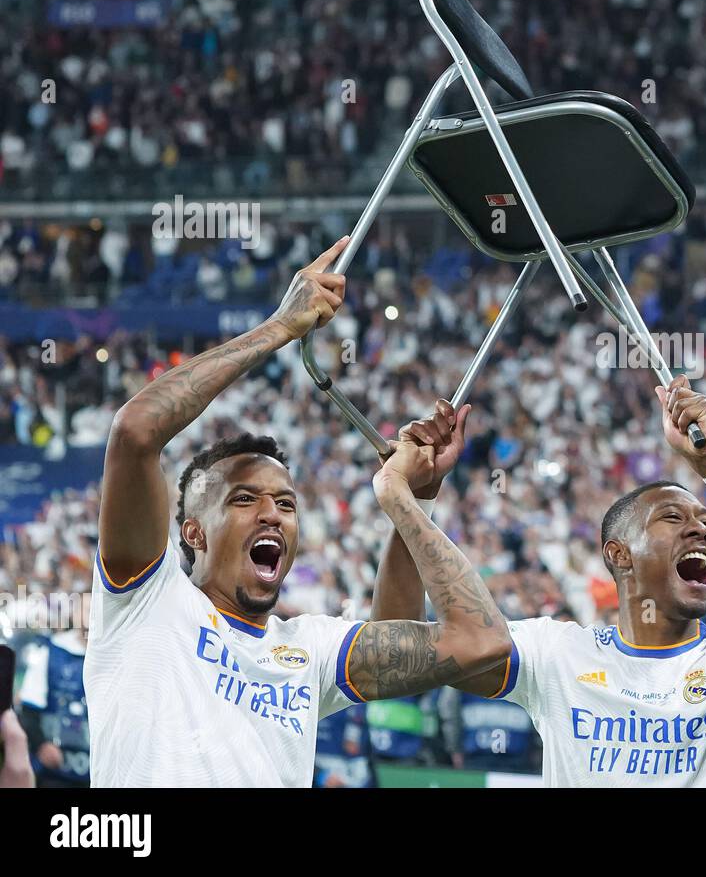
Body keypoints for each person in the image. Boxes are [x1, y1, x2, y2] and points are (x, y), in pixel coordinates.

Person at [85, 236, 512, 786]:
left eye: (286, 503)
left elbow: (479, 641)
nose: (272, 514)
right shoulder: (145, 598)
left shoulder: (306, 649)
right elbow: (136, 432)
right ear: (193, 531)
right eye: (244, 499)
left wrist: (412, 501)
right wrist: (280, 328)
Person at [374, 374, 706, 786]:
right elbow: (392, 649)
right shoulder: (556, 656)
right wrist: (415, 501)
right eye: (672, 517)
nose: (701, 530)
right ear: (619, 554)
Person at [17, 628, 89, 787]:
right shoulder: (51, 650)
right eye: (87, 607)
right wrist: (41, 744)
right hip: (53, 772)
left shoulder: (117, 654)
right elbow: (29, 708)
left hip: (98, 773)